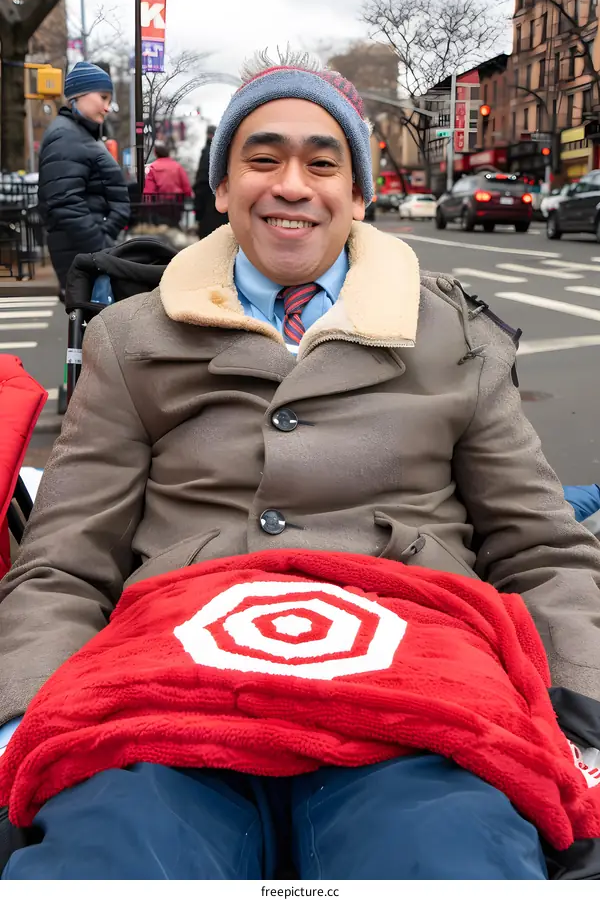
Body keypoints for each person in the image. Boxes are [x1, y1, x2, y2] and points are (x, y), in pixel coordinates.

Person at [2, 49, 600, 880]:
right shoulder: (131, 338)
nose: (292, 185)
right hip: (171, 669)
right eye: (262, 158)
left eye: (323, 163)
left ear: (358, 194)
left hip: (419, 672)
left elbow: (539, 546)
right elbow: (64, 563)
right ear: (221, 188)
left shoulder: (458, 339)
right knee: (113, 853)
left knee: (451, 854)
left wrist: (583, 696)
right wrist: (23, 712)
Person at [38, 62, 130, 300]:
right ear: (80, 94)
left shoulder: (74, 134)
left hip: (84, 253)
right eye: (103, 97)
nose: (108, 107)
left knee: (95, 330)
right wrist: (101, 245)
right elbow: (65, 203)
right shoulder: (66, 136)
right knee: (97, 329)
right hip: (85, 255)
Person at [194, 124, 228, 238]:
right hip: (223, 207)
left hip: (209, 205)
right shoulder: (226, 150)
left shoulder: (207, 152)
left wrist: (198, 209)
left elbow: (202, 182)